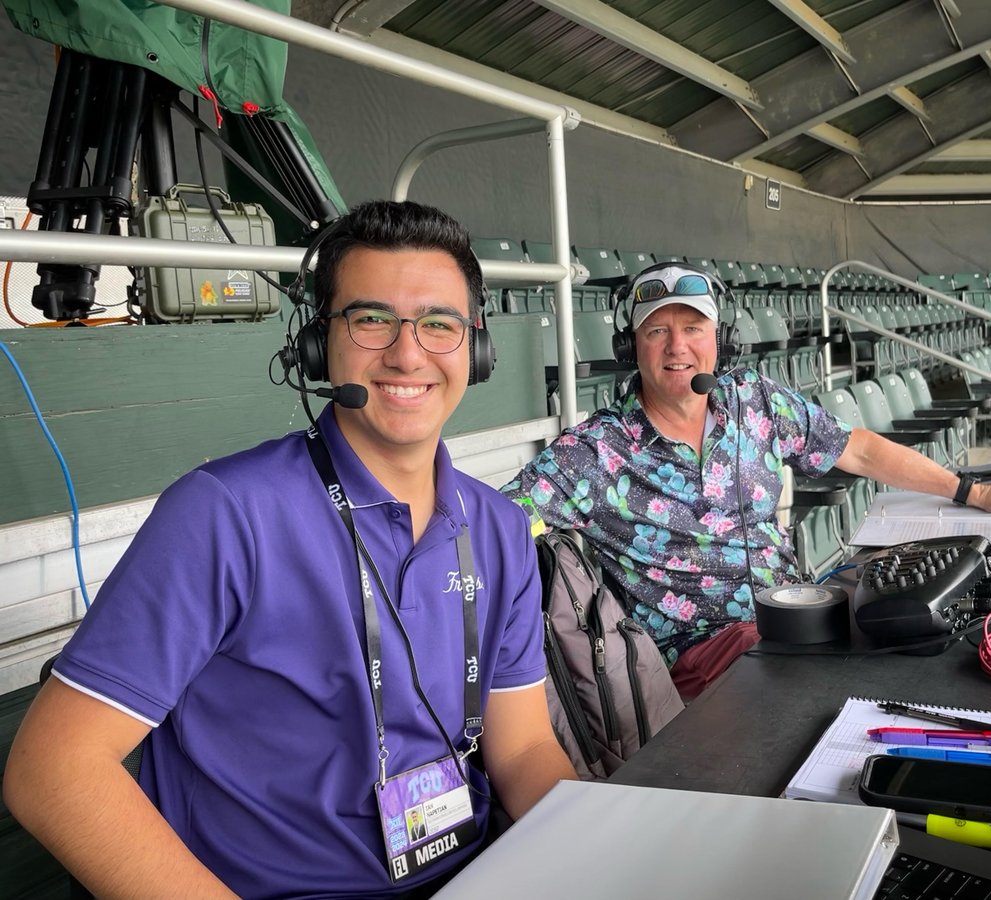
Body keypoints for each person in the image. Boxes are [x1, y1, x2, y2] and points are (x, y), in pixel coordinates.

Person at [4, 200, 576, 899]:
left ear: (475, 347)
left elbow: (520, 749)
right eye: (371, 319)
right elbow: (53, 769)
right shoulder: (224, 513)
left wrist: (602, 852)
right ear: (317, 343)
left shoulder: (501, 529)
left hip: (471, 871)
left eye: (438, 324)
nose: (406, 352)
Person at [502, 262, 991, 699]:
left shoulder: (753, 400)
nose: (677, 347)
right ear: (631, 348)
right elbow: (497, 524)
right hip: (702, 659)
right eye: (657, 332)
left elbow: (858, 449)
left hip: (798, 613)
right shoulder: (595, 450)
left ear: (720, 339)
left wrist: (975, 493)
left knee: (931, 628)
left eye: (693, 328)